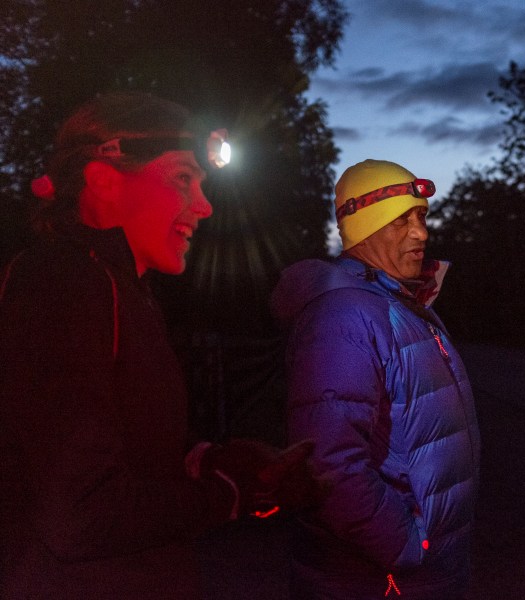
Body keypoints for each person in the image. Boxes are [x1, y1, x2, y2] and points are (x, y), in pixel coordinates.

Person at [0, 92, 316, 599]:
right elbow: (79, 513)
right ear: (103, 181)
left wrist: (209, 460)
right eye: (182, 178)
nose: (205, 205)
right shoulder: (62, 285)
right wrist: (229, 495)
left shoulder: (122, 288)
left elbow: (120, 446)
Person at [271, 159, 481, 599]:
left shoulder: (405, 304)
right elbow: (329, 462)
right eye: (400, 220)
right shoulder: (344, 316)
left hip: (424, 573)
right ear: (363, 228)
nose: (421, 232)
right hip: (378, 579)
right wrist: (404, 545)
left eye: (421, 216)